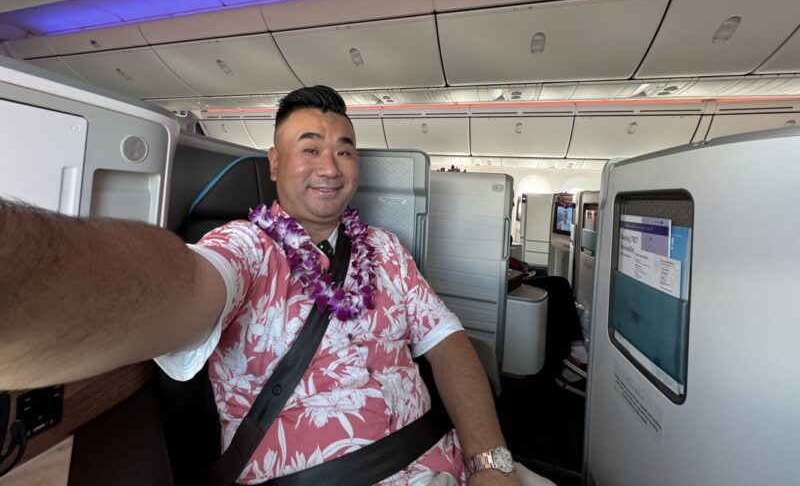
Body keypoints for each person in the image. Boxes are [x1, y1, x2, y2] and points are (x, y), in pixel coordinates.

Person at [0, 86, 554, 485]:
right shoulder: (244, 247)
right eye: (310, 148)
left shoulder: (385, 249)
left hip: (455, 460)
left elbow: (448, 342)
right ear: (274, 162)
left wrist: (491, 461)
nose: (330, 166)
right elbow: (186, 282)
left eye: (344, 149)